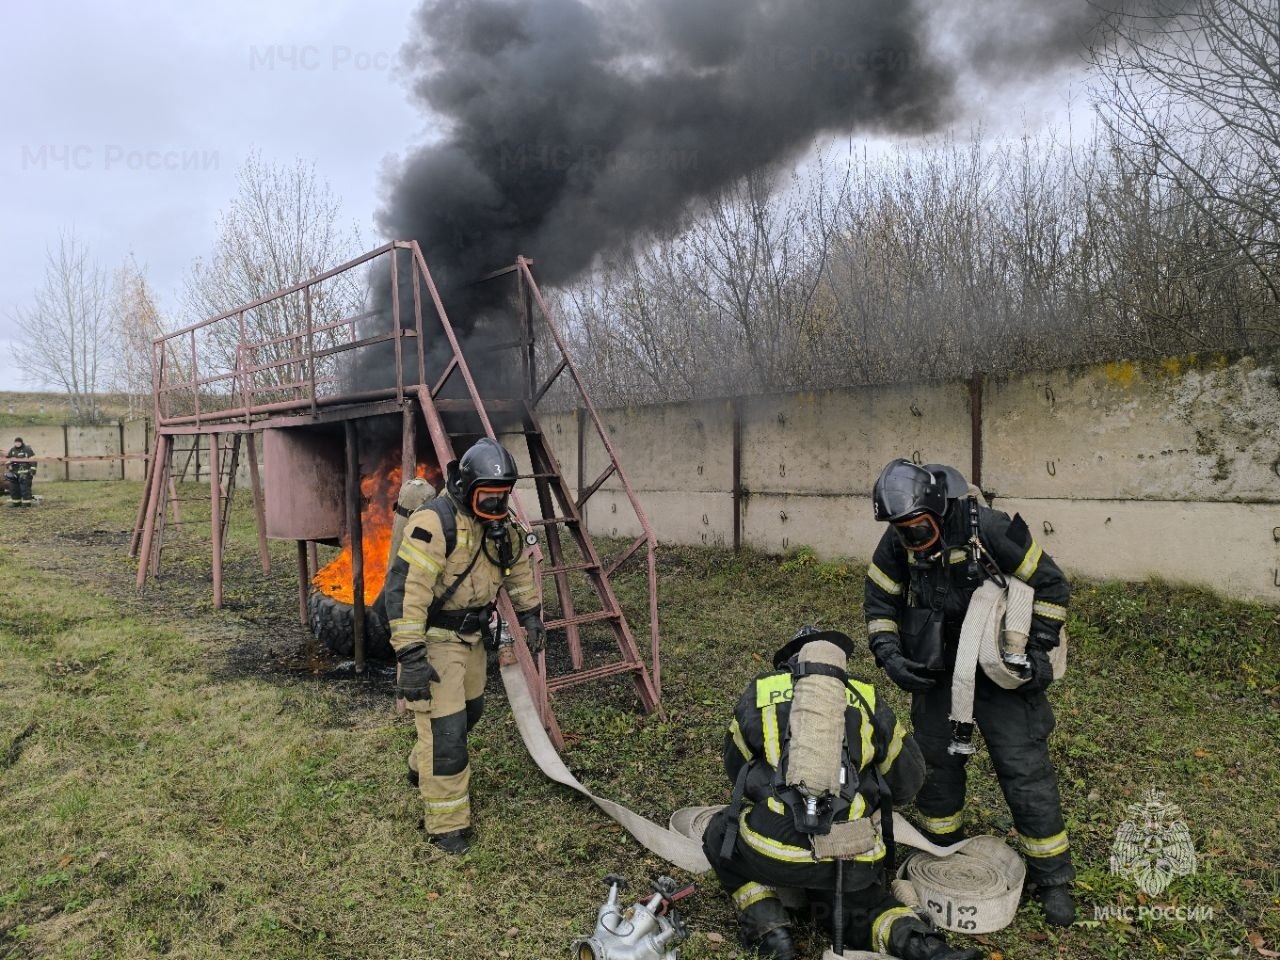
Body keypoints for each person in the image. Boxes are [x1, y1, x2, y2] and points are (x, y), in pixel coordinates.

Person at [864, 458, 1075, 926]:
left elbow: (1052, 585)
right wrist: (892, 656)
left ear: (938, 509)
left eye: (917, 528)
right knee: (936, 762)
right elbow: (880, 601)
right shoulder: (899, 538)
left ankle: (1054, 876)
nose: (909, 539)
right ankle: (941, 848)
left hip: (998, 670)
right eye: (901, 530)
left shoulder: (992, 528)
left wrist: (1035, 651)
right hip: (937, 671)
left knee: (1023, 767)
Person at [701, 627, 982, 960]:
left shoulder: (762, 692)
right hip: (851, 857)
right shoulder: (866, 697)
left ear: (789, 660)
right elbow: (908, 779)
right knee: (868, 908)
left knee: (719, 831)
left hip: (773, 849)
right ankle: (927, 948)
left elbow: (736, 768)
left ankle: (770, 930)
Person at [382, 438, 546, 854]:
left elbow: (516, 570)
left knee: (469, 712)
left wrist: (530, 614)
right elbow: (407, 591)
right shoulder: (435, 524)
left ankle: (422, 765)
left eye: (502, 496)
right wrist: (411, 656)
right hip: (434, 639)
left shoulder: (501, 525)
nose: (496, 505)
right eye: (487, 496)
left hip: (472, 638)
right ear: (466, 488)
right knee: (447, 732)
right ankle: (447, 824)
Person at [6, 437, 35, 506]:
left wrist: (32, 471)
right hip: (14, 473)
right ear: (14, 443)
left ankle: (26, 503)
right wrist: (8, 465)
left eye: (19, 442)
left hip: (25, 473)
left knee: (25, 488)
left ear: (21, 443)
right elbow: (7, 459)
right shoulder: (12, 450)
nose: (17, 443)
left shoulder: (27, 450)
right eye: (16, 442)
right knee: (14, 488)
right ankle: (16, 503)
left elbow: (33, 460)